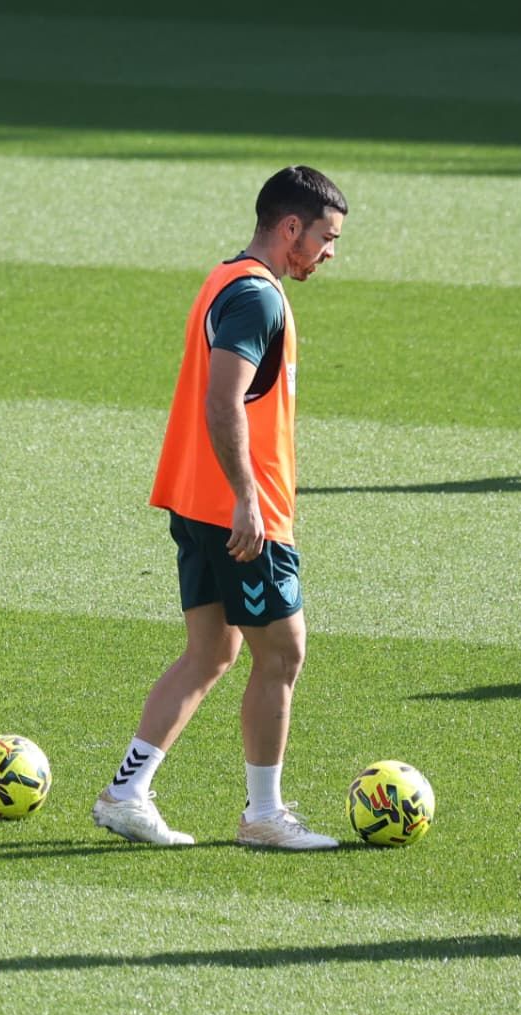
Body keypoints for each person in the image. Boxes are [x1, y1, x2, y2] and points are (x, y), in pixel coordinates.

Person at [93, 165, 348, 851]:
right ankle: (263, 815)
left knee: (210, 652)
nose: (330, 253)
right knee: (284, 654)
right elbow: (222, 399)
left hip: (195, 497)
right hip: (236, 510)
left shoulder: (224, 276)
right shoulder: (257, 299)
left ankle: (126, 792)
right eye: (325, 237)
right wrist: (247, 498)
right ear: (289, 227)